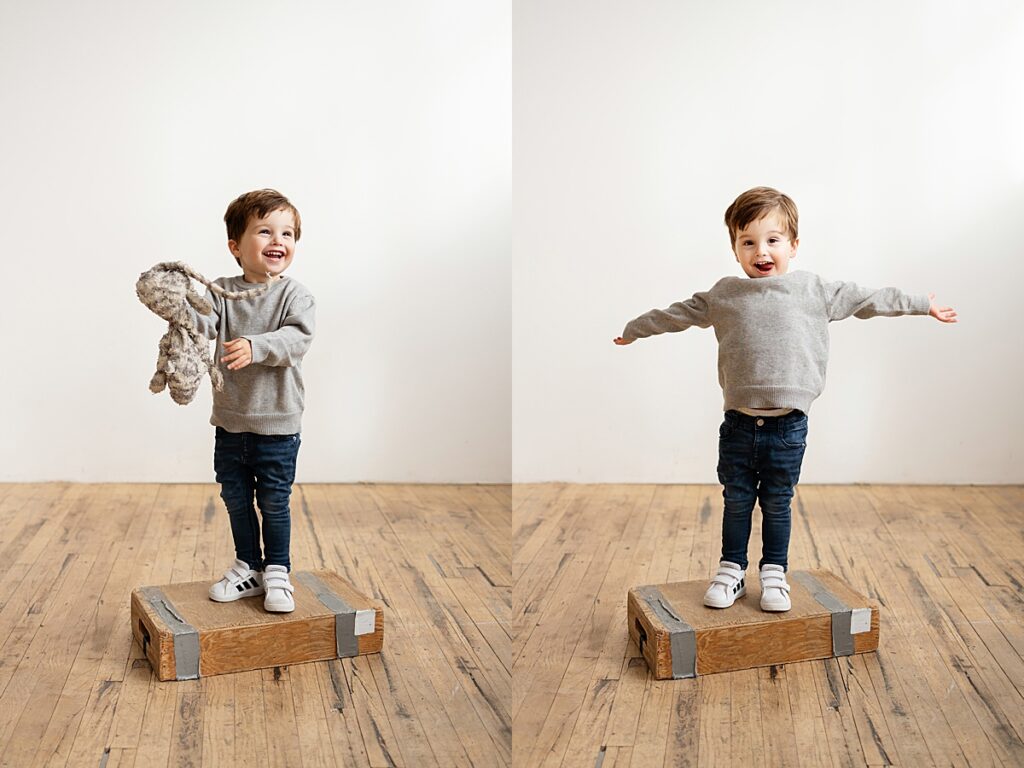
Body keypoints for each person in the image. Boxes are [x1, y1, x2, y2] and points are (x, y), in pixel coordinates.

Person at [614, 186, 956, 611]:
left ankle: (774, 572)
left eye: (773, 240)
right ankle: (732, 569)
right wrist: (634, 329)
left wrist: (922, 304)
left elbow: (868, 298)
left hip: (788, 426)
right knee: (737, 500)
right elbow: (676, 314)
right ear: (736, 250)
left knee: (777, 501)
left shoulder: (813, 290)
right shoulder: (725, 295)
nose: (762, 251)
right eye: (748, 242)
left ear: (793, 246)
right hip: (738, 424)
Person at [196, 189, 316, 613]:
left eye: (287, 233)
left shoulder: (294, 296)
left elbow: (296, 340)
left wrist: (255, 345)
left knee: (273, 500)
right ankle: (250, 565)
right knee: (234, 496)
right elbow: (203, 323)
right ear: (236, 246)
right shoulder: (220, 293)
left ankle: (278, 569)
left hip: (278, 425)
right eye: (264, 231)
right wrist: (181, 310)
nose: (277, 240)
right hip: (230, 421)